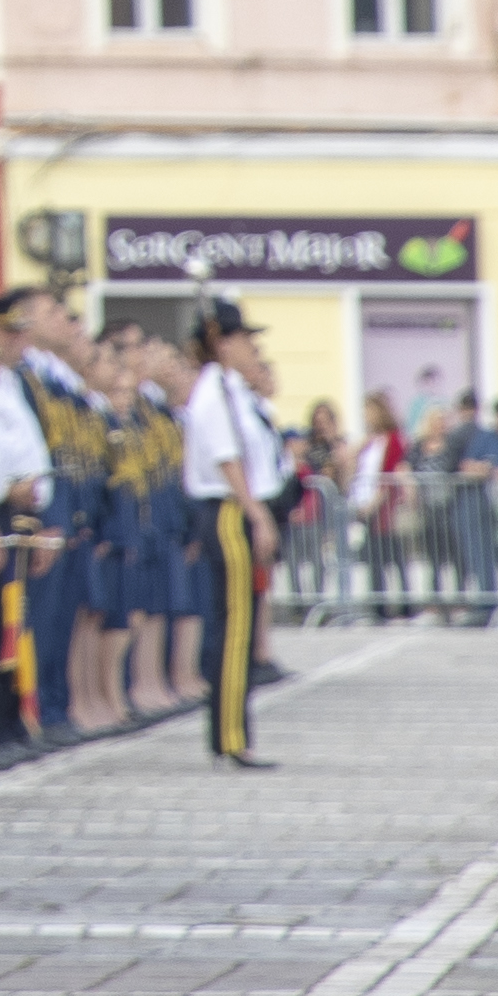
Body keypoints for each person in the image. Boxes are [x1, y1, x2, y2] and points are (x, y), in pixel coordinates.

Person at [178, 299, 283, 769]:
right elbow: (227, 458)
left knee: (239, 623)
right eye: (243, 339)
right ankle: (230, 733)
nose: (250, 347)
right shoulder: (212, 391)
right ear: (221, 342)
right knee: (235, 625)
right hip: (226, 510)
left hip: (237, 506)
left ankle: (232, 732)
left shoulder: (232, 389)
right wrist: (255, 513)